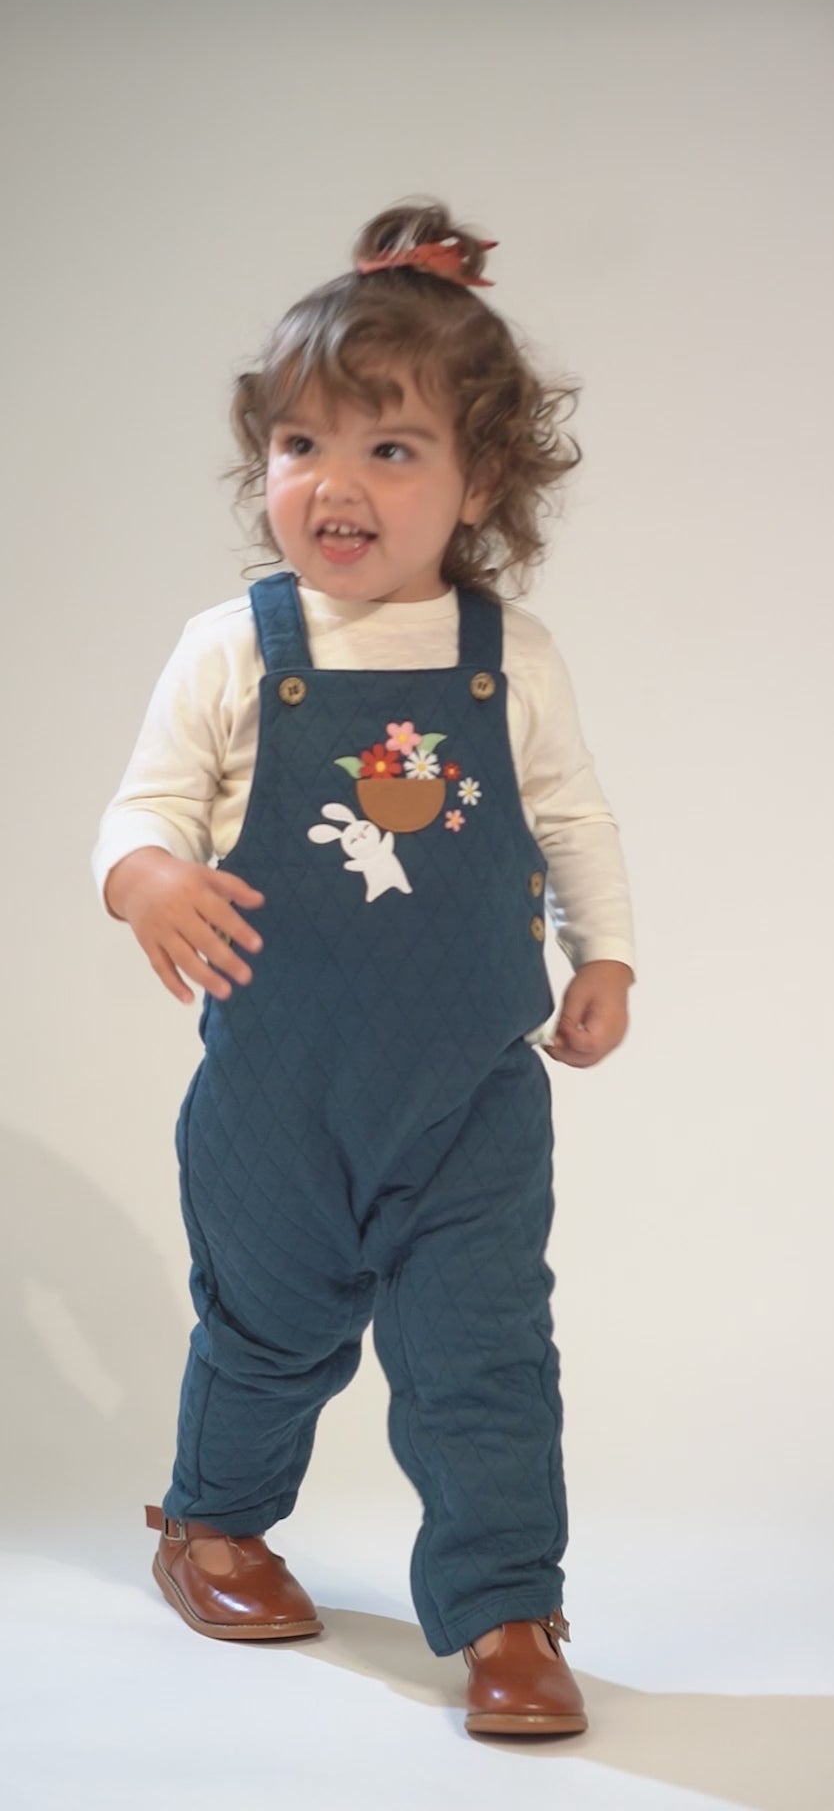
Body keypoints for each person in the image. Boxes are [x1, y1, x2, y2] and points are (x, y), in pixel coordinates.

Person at [92, 201, 635, 1738]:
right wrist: (146, 878)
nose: (335, 484)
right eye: (300, 444)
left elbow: (574, 814)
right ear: (263, 462)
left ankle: (511, 1607)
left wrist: (612, 957)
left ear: (482, 484)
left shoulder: (504, 653)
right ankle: (211, 1526)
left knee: (483, 1352)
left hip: (470, 1090)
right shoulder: (233, 647)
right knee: (271, 1327)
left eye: (391, 450)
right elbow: (141, 809)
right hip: (279, 1091)